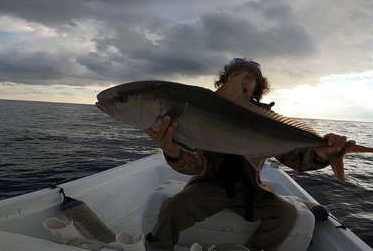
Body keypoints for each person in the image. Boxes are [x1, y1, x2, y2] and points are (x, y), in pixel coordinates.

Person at [144, 58, 353, 251]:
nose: (241, 80)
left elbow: (296, 160)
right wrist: (173, 152)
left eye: (249, 77)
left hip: (252, 191)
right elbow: (196, 166)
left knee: (287, 215)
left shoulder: (267, 121)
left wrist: (321, 153)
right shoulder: (205, 111)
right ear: (224, 83)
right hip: (209, 186)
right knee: (174, 207)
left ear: (257, 86)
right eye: (234, 77)